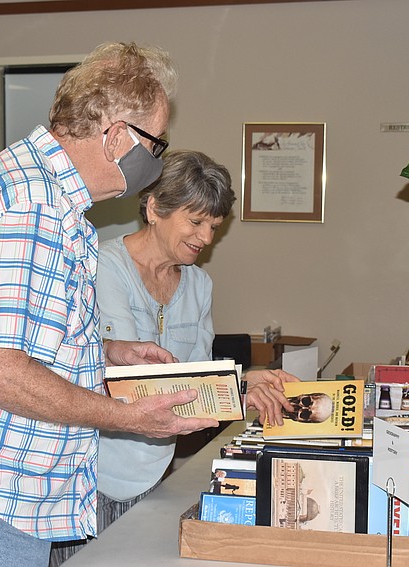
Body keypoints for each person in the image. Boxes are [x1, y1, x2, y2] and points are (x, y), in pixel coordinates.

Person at [0, 42, 218, 567]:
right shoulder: (29, 209)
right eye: (156, 142)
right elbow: (0, 375)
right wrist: (126, 416)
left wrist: (110, 355)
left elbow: (22, 346)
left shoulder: (50, 201)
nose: (157, 159)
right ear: (118, 136)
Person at [49, 149, 298, 565]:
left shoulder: (199, 285)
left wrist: (242, 383)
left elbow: (199, 388)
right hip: (86, 476)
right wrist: (237, 387)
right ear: (154, 209)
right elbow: (132, 385)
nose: (205, 237)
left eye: (214, 226)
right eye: (195, 221)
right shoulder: (103, 267)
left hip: (152, 472)